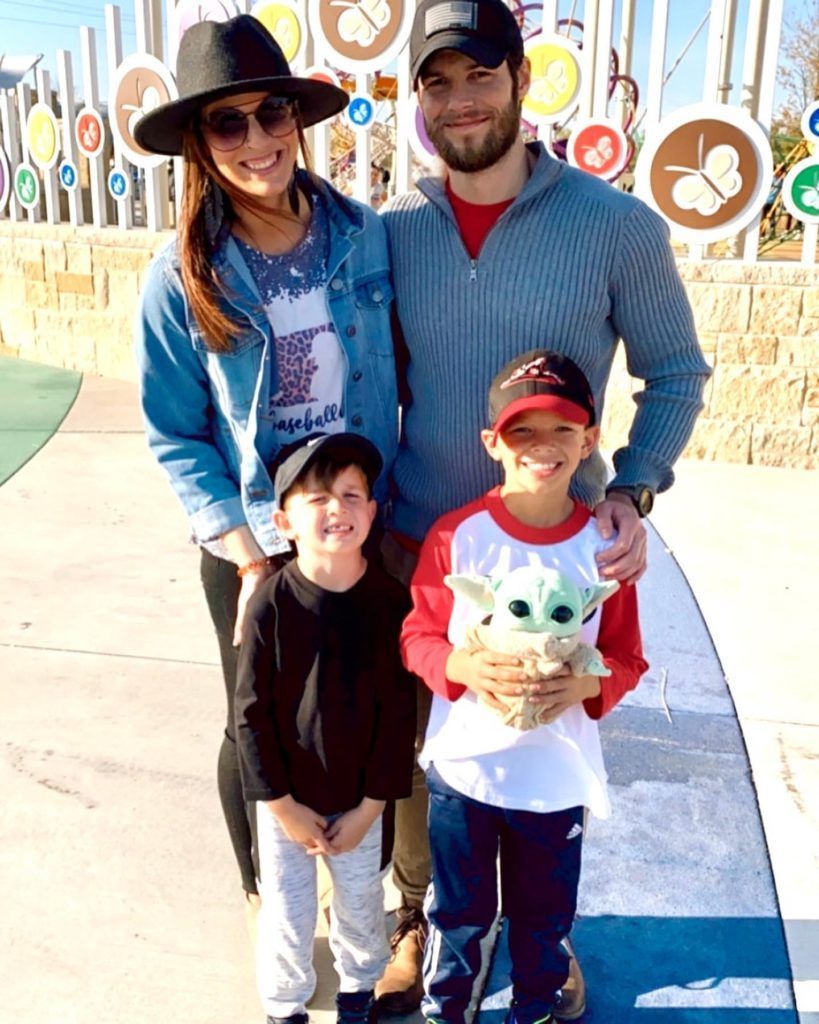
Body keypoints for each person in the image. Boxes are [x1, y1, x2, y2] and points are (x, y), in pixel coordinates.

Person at [377, 0, 710, 1014]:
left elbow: (677, 372)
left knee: (545, 748)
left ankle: (541, 939)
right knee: (422, 756)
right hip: (420, 547)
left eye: (479, 73)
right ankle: (421, 920)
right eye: (437, 81)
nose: (459, 98)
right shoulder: (390, 236)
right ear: (420, 104)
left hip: (560, 553)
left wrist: (636, 487)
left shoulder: (617, 227)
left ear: (522, 81)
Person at [132, 15, 398, 924]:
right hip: (255, 535)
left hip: (358, 525)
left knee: (363, 709)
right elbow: (174, 432)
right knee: (254, 720)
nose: (256, 140)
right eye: (227, 122)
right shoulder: (182, 276)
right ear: (199, 145)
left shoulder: (362, 236)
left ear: (297, 118)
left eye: (270, 112)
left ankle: (357, 887)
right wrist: (249, 558)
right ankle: (266, 891)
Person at [401, 350, 648, 1024]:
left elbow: (625, 657)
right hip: (466, 773)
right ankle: (445, 1008)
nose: (543, 448)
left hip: (554, 776)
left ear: (589, 441)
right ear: (492, 444)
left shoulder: (602, 547)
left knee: (542, 921)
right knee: (456, 915)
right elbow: (417, 637)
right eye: (522, 432)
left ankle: (534, 1008)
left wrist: (583, 691)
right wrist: (462, 667)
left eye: (562, 430)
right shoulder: (457, 536)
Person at [235, 432, 416, 1024]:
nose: (337, 508)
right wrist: (282, 806)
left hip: (358, 803)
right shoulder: (270, 604)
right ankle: (284, 1008)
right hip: (287, 800)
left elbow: (397, 715)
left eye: (351, 493)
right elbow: (250, 716)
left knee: (363, 907)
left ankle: (357, 997)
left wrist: (370, 806)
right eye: (317, 498)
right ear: (283, 520)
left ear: (373, 510)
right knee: (287, 915)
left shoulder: (390, 602)